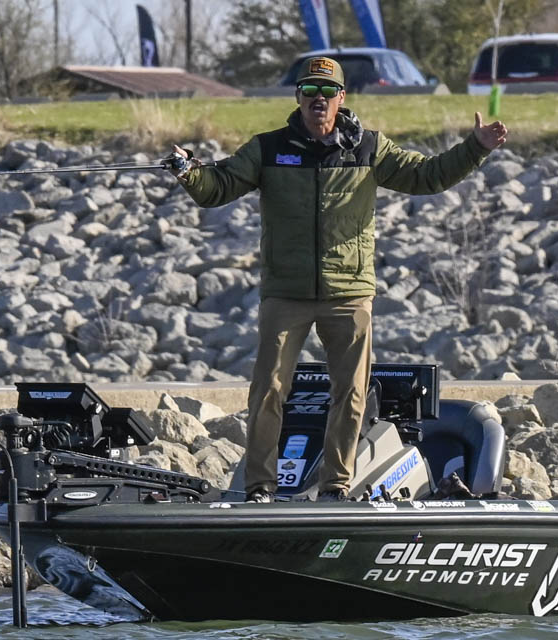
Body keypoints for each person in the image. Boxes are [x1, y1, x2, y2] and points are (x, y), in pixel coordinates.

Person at [165, 56, 508, 503]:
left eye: (328, 92)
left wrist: (475, 147)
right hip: (285, 293)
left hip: (349, 294)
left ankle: (336, 486)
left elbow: (428, 176)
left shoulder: (370, 148)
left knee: (351, 394)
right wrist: (189, 172)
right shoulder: (268, 148)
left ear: (341, 98)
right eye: (310, 91)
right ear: (298, 97)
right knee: (268, 391)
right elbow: (219, 187)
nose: (319, 99)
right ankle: (260, 488)